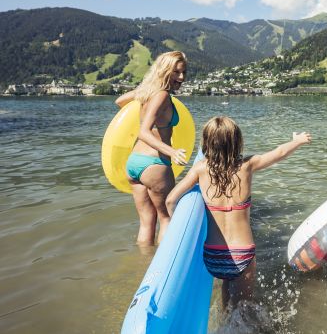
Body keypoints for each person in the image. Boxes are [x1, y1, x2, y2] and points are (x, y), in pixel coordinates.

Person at [166, 116, 311, 309]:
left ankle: (225, 318)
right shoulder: (247, 165)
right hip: (243, 253)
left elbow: (170, 200)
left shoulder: (199, 169)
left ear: (207, 142)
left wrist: (176, 230)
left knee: (227, 288)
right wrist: (297, 140)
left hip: (212, 256)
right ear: (237, 141)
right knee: (244, 305)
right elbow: (280, 152)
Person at [115, 51, 188, 246]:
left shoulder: (148, 92)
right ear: (165, 71)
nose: (181, 77)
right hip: (155, 164)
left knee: (146, 222)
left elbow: (119, 101)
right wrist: (172, 152)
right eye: (176, 72)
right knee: (166, 218)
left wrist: (140, 95)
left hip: (134, 163)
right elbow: (144, 132)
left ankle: (142, 263)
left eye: (183, 72)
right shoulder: (162, 95)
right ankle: (160, 270)